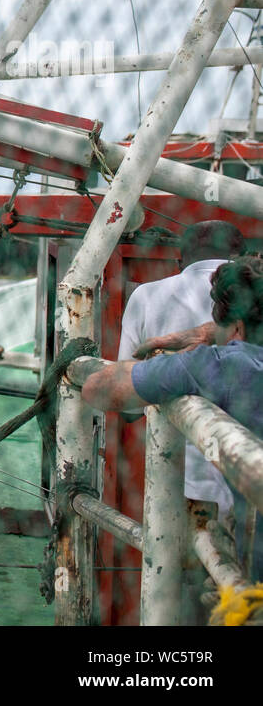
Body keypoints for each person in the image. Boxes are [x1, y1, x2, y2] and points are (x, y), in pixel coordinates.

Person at [116, 221, 243, 519]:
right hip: (251, 480)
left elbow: (128, 406)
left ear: (180, 259)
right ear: (244, 259)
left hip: (176, 487)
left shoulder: (147, 297)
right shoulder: (253, 303)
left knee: (169, 561)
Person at [82, 255, 263, 434]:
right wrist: (210, 332)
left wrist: (168, 363)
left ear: (238, 327)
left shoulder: (219, 365)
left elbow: (96, 388)